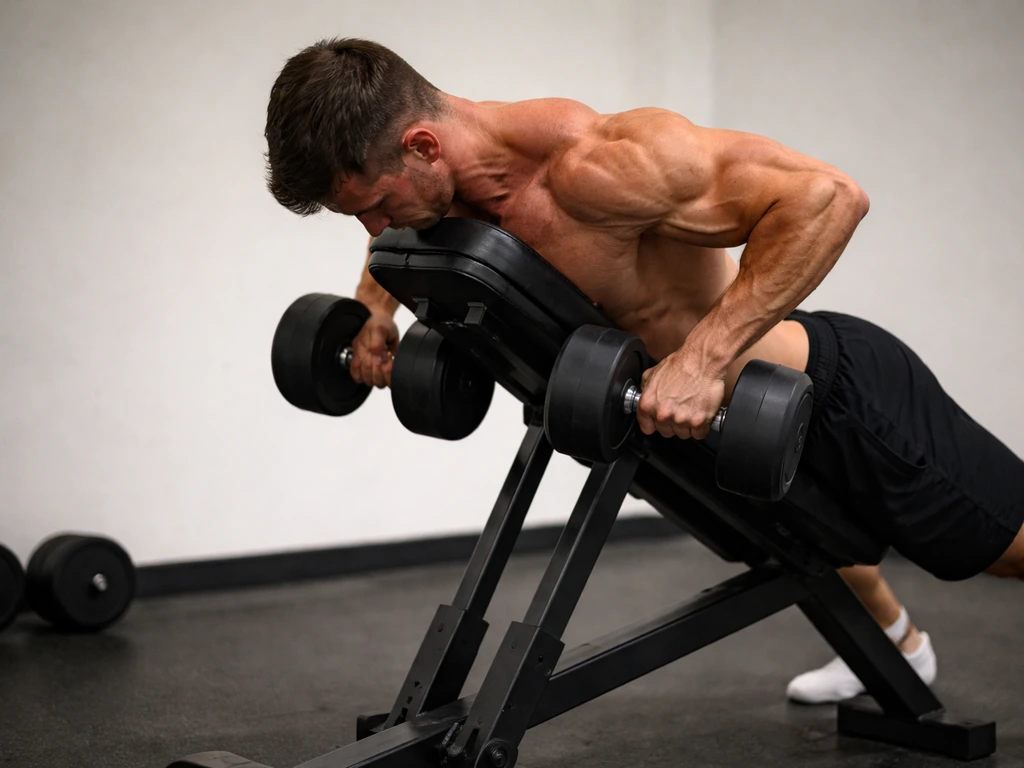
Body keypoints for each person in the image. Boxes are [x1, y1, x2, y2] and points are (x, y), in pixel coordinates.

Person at [262, 38, 1024, 704]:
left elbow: (827, 198)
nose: (373, 228)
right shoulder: (436, 194)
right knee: (800, 541)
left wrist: (701, 360)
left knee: (1000, 549)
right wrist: (377, 310)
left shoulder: (599, 166)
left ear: (423, 145)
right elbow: (407, 233)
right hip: (704, 430)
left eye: (373, 206)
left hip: (830, 399)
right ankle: (898, 649)